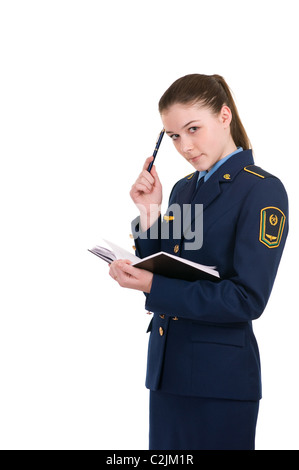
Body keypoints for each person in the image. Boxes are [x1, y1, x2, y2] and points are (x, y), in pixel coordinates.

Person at [108, 74, 289, 450]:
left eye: (193, 129)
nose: (185, 146)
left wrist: (151, 286)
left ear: (224, 116)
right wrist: (149, 213)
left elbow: (246, 299)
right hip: (167, 371)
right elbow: (171, 262)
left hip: (219, 382)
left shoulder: (261, 190)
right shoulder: (185, 188)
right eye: (173, 136)